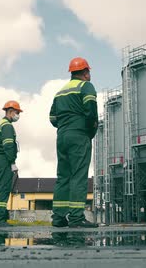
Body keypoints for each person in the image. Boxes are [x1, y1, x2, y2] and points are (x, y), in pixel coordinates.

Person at [49, 57, 99, 228]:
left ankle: (58, 217)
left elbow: (52, 118)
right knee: (78, 175)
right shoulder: (86, 86)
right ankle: (76, 218)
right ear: (85, 72)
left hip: (62, 136)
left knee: (63, 176)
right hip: (79, 135)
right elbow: (91, 113)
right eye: (89, 72)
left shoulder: (60, 92)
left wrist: (65, 124)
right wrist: (89, 131)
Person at [0, 100, 22, 226]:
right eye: (17, 112)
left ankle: (0, 218)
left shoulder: (0, 124)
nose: (18, 115)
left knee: (1, 188)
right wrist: (12, 162)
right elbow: (8, 145)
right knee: (3, 188)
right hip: (4, 159)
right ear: (10, 111)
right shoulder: (7, 126)